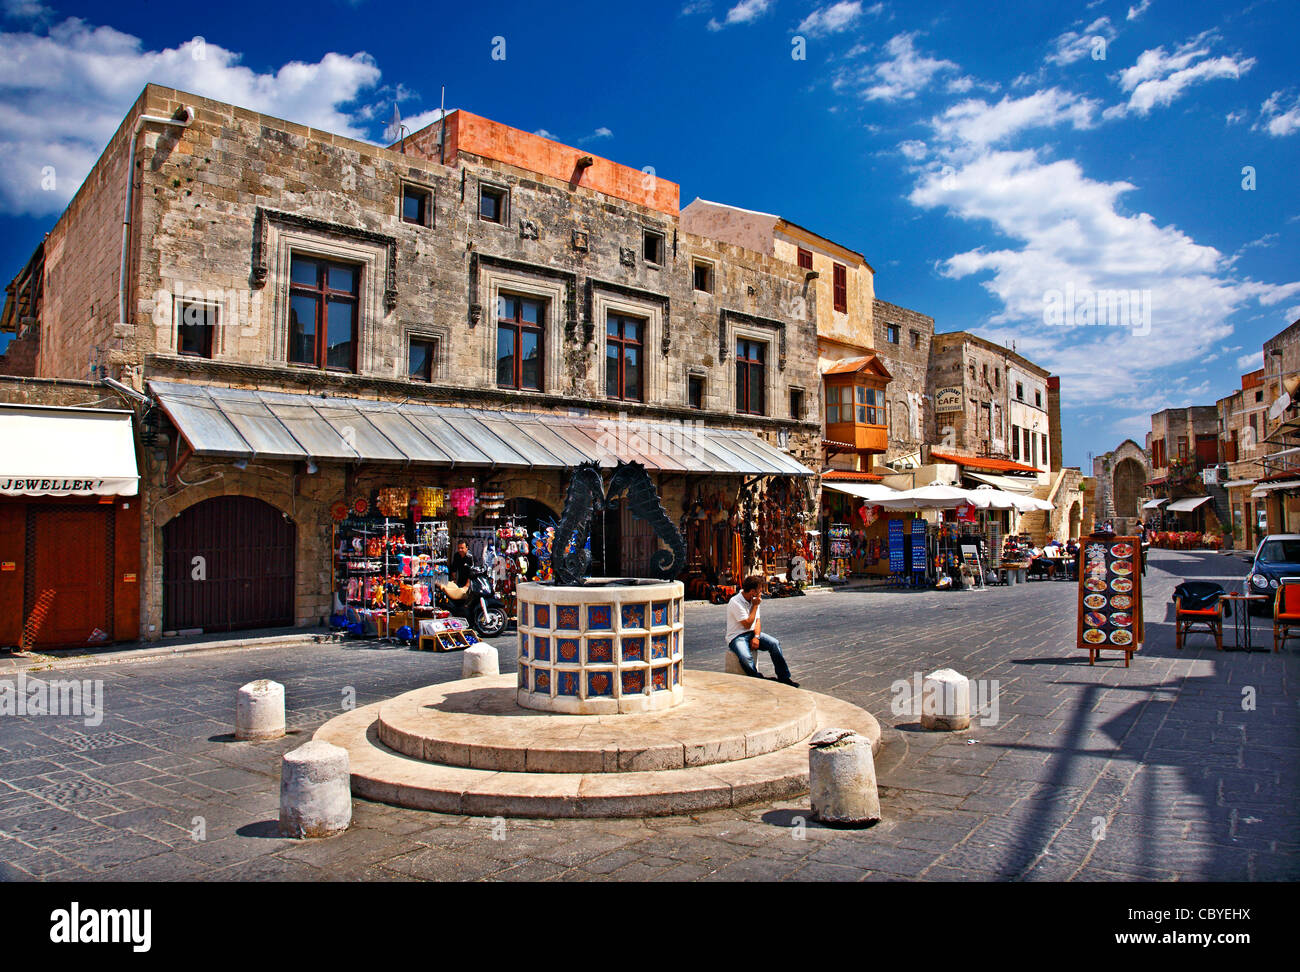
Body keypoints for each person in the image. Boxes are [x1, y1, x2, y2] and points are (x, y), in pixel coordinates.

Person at [725, 575, 798, 687]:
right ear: (753, 591)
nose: (761, 592)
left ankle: (784, 677)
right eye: (760, 589)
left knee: (774, 644)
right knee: (745, 657)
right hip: (737, 636)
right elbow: (747, 623)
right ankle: (758, 678)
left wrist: (756, 637)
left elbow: (757, 621)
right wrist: (754, 606)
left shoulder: (754, 600)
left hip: (751, 633)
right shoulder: (735, 602)